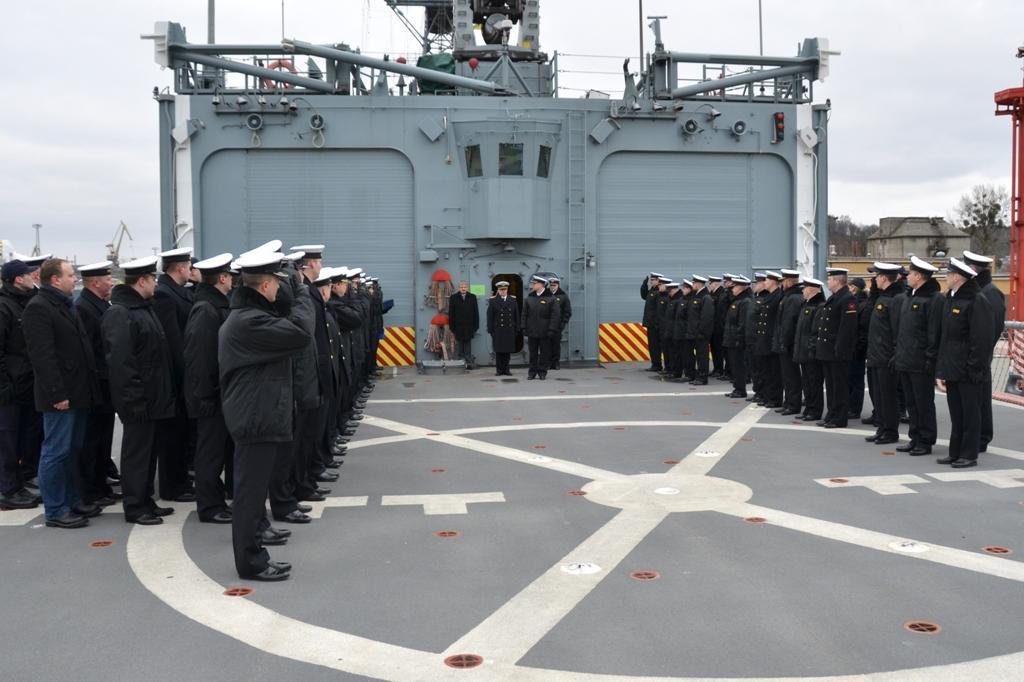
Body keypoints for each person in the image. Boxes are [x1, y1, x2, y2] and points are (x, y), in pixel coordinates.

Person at [220, 251, 313, 581]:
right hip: (255, 417)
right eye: (277, 283)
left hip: (257, 414)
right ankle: (251, 562)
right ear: (265, 286)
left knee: (254, 494)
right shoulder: (250, 321)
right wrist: (301, 291)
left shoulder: (250, 315)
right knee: (249, 496)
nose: (279, 289)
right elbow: (301, 332)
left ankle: (255, 550)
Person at [22, 258, 98, 529]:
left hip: (77, 392)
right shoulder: (39, 307)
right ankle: (55, 509)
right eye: (70, 275)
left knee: (71, 450)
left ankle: (72, 500)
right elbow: (42, 357)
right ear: (55, 279)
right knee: (55, 451)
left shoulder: (64, 304)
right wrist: (57, 394)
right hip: (60, 396)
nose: (74, 279)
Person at [103, 257, 178, 525]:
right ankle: (135, 506)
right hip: (138, 400)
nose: (156, 284)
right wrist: (133, 399)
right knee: (136, 455)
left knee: (149, 453)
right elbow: (121, 363)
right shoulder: (120, 313)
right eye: (152, 279)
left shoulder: (143, 309)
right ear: (142, 281)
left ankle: (146, 500)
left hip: (153, 398)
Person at [184, 254, 236, 524]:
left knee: (217, 451)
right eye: (229, 276)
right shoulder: (206, 309)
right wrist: (205, 395)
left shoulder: (215, 305)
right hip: (210, 395)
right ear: (222, 278)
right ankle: (209, 506)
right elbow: (200, 358)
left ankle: (217, 500)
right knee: (210, 454)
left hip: (218, 393)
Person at [936, 258, 994, 468]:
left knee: (970, 414)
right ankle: (955, 452)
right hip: (953, 368)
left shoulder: (976, 300)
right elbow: (946, 338)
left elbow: (981, 339)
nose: (946, 277)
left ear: (958, 277)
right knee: (957, 414)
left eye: (949, 274)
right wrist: (942, 369)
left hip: (968, 370)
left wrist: (975, 367)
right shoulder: (952, 299)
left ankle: (969, 454)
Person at [152, 246, 196, 502]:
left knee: (182, 434)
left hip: (183, 375)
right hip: (175, 377)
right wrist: (185, 375)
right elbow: (173, 341)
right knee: (172, 435)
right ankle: (172, 486)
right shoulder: (165, 295)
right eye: (188, 265)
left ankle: (181, 480)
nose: (191, 270)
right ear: (180, 267)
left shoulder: (178, 291)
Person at [74, 261, 118, 507]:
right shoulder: (84, 307)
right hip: (96, 383)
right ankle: (91, 489)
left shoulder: (100, 304)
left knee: (103, 438)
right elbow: (88, 350)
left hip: (106, 381)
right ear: (94, 282)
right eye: (107, 279)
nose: (111, 283)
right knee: (92, 439)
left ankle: (101, 485)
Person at [0, 260, 43, 509]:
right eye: (28, 274)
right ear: (18, 279)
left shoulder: (24, 302)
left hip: (25, 384)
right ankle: (8, 490)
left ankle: (19, 484)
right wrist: (4, 386)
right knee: (7, 441)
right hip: (10, 388)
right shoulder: (4, 306)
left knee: (21, 440)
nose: (32, 276)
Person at [894, 256, 942, 456]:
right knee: (911, 403)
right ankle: (915, 437)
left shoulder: (934, 299)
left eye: (911, 274)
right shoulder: (909, 297)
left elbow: (934, 333)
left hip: (921, 361)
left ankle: (926, 440)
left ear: (919, 276)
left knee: (924, 403)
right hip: (906, 359)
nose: (907, 277)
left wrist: (930, 358)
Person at [962, 250, 1006, 453]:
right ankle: (975, 436)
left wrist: (980, 354)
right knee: (973, 400)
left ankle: (982, 438)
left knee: (980, 399)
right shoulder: (979, 290)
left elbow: (992, 329)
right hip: (971, 355)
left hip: (980, 356)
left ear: (972, 269)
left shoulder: (990, 293)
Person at [864, 262, 905, 445]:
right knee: (879, 396)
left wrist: (893, 354)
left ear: (883, 278)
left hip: (886, 357)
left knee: (888, 397)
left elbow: (897, 330)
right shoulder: (883, 297)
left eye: (877, 276)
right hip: (876, 355)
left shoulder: (895, 299)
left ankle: (890, 431)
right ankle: (882, 428)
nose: (874, 280)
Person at [815, 267, 859, 428]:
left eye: (830, 279)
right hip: (828, 350)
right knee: (831, 386)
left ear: (837, 281)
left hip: (837, 351)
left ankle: (839, 418)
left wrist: (839, 350)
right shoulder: (835, 297)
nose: (828, 282)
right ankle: (831, 414)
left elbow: (847, 329)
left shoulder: (848, 299)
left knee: (839, 386)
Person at [794, 277, 826, 421]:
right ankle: (808, 408)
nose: (803, 291)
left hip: (811, 353)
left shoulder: (819, 306)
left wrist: (811, 350)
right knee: (806, 383)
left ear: (812, 290)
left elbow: (815, 332)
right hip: (803, 351)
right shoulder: (806, 305)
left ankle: (815, 410)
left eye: (805, 288)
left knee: (814, 383)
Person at [773, 269, 804, 415]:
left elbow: (788, 323)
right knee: (787, 375)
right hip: (786, 343)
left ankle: (793, 404)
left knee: (791, 376)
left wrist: (784, 342)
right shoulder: (788, 296)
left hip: (789, 344)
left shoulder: (793, 298)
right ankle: (788, 402)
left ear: (790, 282)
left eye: (784, 281)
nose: (782, 284)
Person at [522, 275, 561, 380]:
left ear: (541, 285)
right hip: (532, 331)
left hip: (545, 332)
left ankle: (542, 372)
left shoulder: (551, 299)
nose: (532, 285)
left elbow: (555, 316)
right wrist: (524, 327)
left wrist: (551, 329)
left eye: (534, 283)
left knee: (544, 353)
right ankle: (532, 372)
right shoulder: (529, 298)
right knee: (533, 353)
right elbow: (524, 314)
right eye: (532, 283)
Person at [754, 271, 784, 407]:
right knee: (765, 370)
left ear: (773, 282)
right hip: (763, 339)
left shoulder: (778, 296)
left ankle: (775, 398)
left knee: (774, 372)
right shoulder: (769, 296)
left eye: (766, 280)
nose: (764, 283)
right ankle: (767, 396)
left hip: (771, 338)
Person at [721, 275, 752, 398]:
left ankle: (740, 389)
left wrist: (739, 339)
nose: (732, 289)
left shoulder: (745, 302)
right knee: (735, 365)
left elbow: (742, 323)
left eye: (734, 287)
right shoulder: (736, 301)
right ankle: (737, 388)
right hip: (731, 339)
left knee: (739, 366)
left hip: (737, 340)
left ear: (740, 288)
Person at [847, 277, 871, 421]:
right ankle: (850, 406)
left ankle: (855, 409)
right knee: (849, 379)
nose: (849, 289)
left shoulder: (863, 305)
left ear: (855, 288)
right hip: (851, 348)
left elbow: (862, 330)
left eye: (851, 286)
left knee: (856, 380)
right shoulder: (855, 302)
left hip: (857, 349)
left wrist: (858, 348)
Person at [684, 275, 715, 385]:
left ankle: (702, 377)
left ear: (698, 284)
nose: (692, 285)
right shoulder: (696, 296)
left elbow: (707, 318)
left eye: (693, 283)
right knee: (693, 355)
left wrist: (702, 332)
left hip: (701, 334)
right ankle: (693, 375)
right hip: (693, 332)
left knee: (702, 356)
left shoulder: (706, 297)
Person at [487, 281, 519, 376]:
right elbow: (490, 316)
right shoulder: (493, 300)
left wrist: (517, 328)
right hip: (498, 330)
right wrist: (490, 330)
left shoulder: (513, 300)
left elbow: (516, 315)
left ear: (507, 290)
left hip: (509, 329)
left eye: (504, 289)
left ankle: (507, 369)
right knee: (499, 351)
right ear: (498, 290)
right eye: (501, 290)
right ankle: (499, 370)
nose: (503, 291)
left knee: (507, 351)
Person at [744, 273, 767, 402]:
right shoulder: (755, 298)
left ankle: (762, 393)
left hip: (758, 339)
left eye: (757, 283)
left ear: (763, 284)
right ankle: (758, 391)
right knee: (753, 368)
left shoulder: (764, 299)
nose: (754, 286)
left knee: (760, 369)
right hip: (750, 339)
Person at [448, 280, 479, 368]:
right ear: (459, 288)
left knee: (468, 346)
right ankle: (460, 364)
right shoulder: (453, 298)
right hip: (458, 327)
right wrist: (452, 327)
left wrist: (475, 327)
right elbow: (451, 314)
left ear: (467, 288)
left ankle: (469, 364)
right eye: (461, 287)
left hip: (469, 327)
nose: (463, 288)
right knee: (460, 347)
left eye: (465, 287)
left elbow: (476, 313)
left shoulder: (472, 297)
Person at [641, 273, 666, 371]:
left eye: (653, 280)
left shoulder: (659, 292)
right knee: (652, 346)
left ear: (658, 281)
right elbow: (644, 296)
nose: (651, 282)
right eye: (650, 280)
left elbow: (659, 310)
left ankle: (657, 365)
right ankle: (655, 364)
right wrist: (644, 284)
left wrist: (656, 322)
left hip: (656, 324)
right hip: (651, 323)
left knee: (656, 346)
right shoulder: (652, 290)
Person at [547, 276, 572, 370]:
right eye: (551, 285)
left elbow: (567, 312)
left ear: (558, 285)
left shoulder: (563, 296)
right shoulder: (545, 295)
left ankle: (556, 363)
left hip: (557, 326)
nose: (552, 287)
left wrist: (563, 323)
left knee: (556, 345)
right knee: (546, 345)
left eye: (554, 285)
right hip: (546, 325)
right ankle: (548, 363)